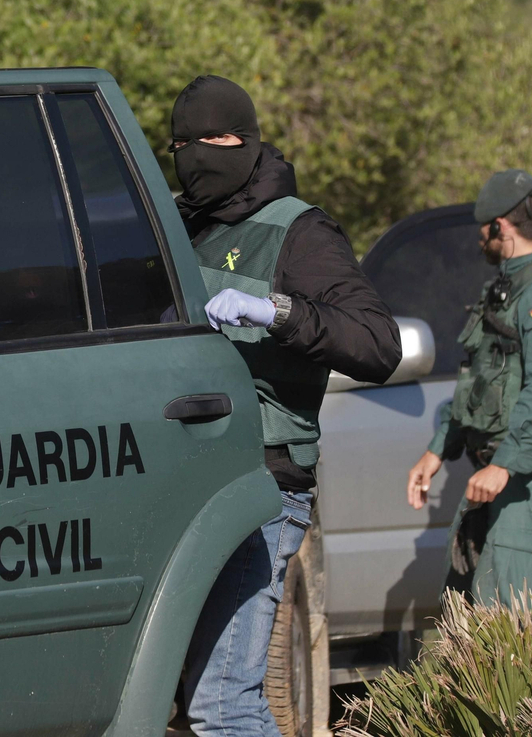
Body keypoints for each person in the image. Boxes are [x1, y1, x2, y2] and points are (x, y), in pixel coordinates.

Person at [171, 75, 401, 737]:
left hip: (261, 489)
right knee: (187, 706)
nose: (196, 154)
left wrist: (278, 311)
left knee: (224, 703)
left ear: (246, 140)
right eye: (182, 143)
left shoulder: (297, 230)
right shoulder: (178, 230)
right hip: (186, 483)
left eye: (213, 139)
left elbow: (377, 343)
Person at [405, 170, 532, 606]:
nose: (480, 239)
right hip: (496, 472)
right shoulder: (508, 290)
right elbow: (481, 385)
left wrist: (506, 464)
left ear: (500, 227)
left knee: (509, 617)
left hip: (531, 474)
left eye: (483, 228)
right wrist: (438, 449)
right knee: (468, 609)